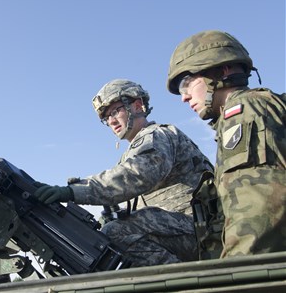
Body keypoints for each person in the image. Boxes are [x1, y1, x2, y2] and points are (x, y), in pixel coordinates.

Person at [34, 79, 214, 267]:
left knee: (115, 233)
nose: (111, 121)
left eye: (115, 111)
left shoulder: (156, 135)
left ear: (137, 106)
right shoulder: (134, 151)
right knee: (102, 238)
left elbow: (138, 175)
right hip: (184, 230)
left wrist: (73, 192)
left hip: (198, 229)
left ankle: (184, 283)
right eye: (106, 118)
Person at [166, 30, 286, 258]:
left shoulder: (244, 112)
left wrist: (235, 276)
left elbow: (257, 217)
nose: (184, 97)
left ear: (222, 70)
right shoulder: (258, 110)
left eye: (186, 83)